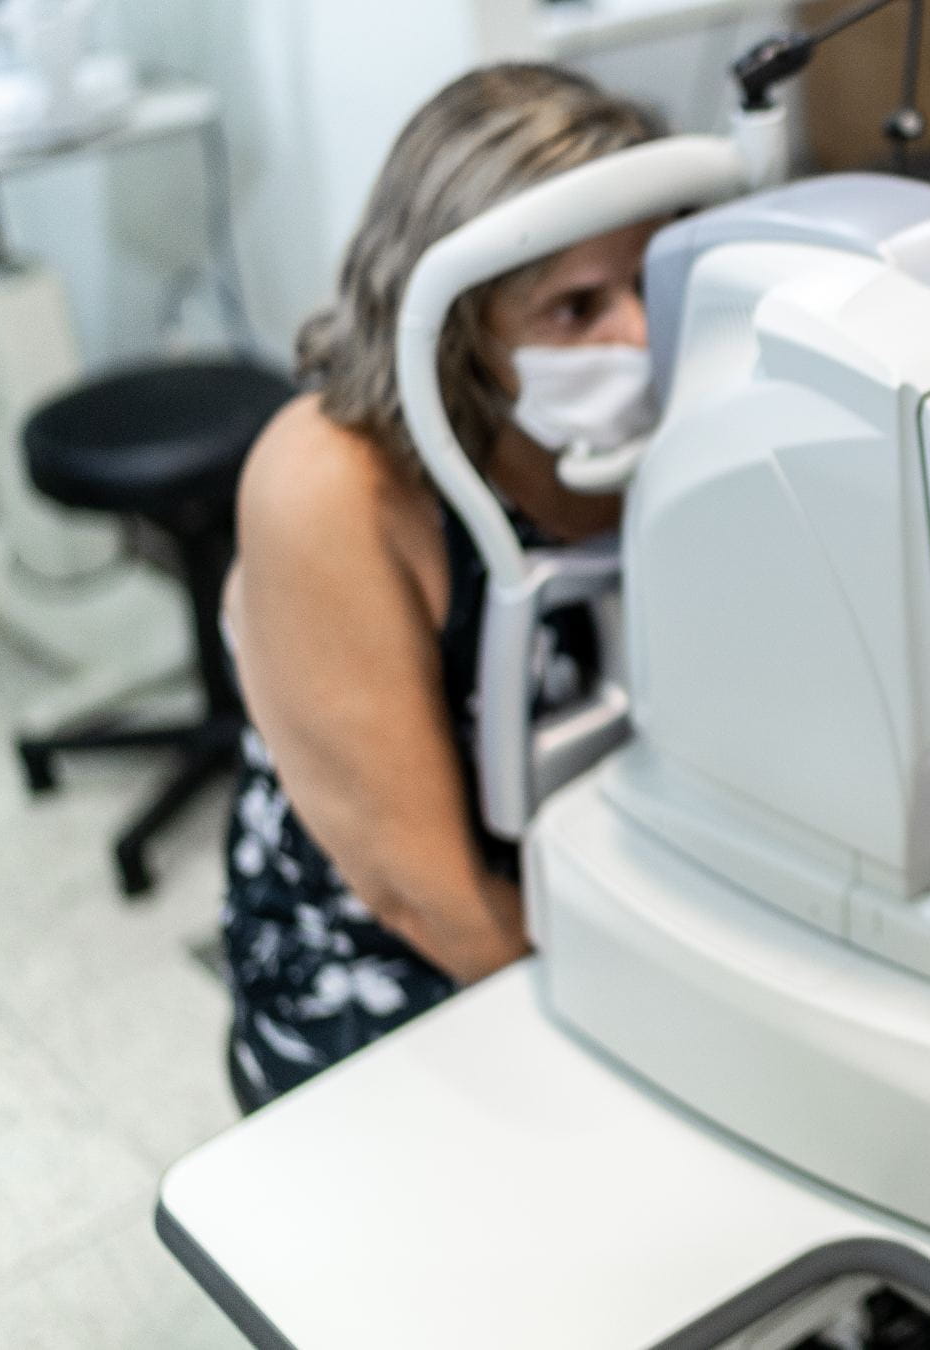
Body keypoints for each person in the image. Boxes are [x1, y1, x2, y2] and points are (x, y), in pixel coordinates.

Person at [220, 64, 669, 1110]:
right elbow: (430, 901)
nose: (638, 337)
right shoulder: (334, 484)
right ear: (461, 328)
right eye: (576, 306)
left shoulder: (666, 421)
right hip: (401, 963)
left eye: (651, 285)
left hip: (610, 890)